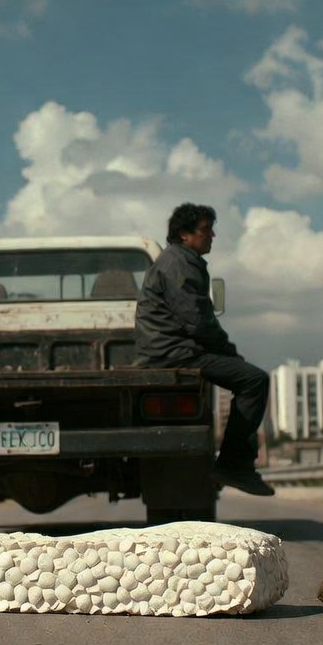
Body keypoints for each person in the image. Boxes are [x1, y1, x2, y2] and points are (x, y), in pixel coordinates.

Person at [134, 203, 275, 496]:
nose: (212, 235)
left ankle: (235, 463)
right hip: (175, 352)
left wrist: (226, 352)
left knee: (249, 377)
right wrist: (229, 351)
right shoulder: (179, 264)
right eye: (205, 230)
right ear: (184, 234)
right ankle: (235, 465)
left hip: (171, 349)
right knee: (254, 380)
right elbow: (197, 321)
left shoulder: (179, 260)